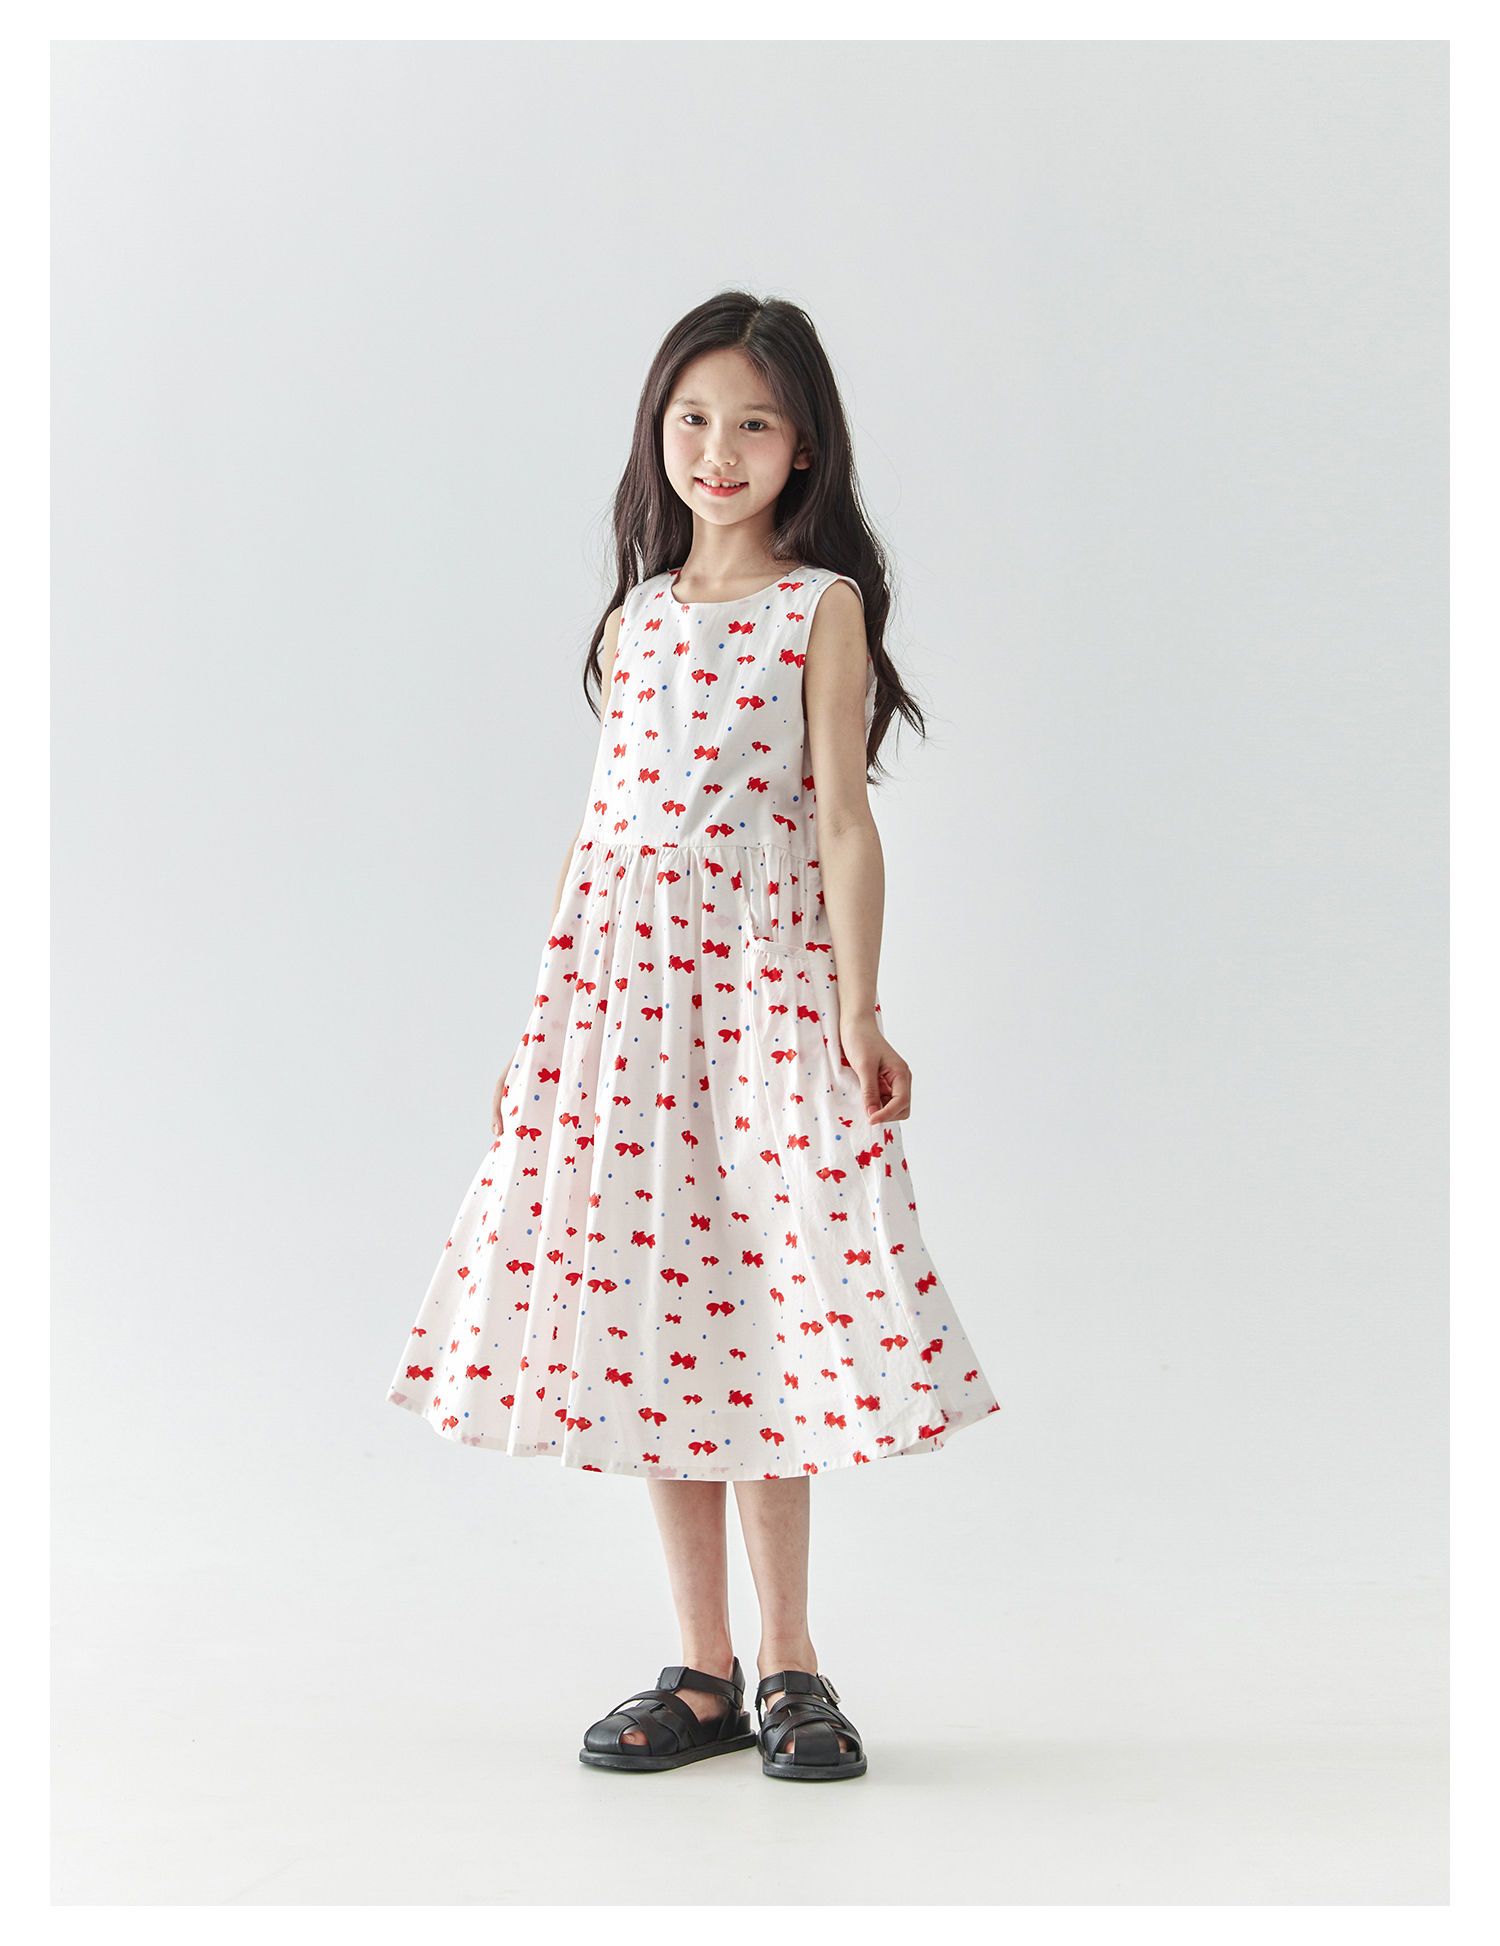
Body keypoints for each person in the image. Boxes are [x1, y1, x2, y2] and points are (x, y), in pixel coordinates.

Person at [387, 289, 1001, 1781]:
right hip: (624, 1009)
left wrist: (859, 1008)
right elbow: (601, 834)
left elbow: (842, 822)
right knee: (653, 1312)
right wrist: (544, 1024)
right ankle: (704, 1667)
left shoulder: (816, 609)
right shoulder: (638, 619)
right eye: (693, 418)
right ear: (656, 433)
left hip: (763, 996)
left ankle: (793, 1662)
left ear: (804, 450)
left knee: (768, 1306)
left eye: (753, 423)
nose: (718, 449)